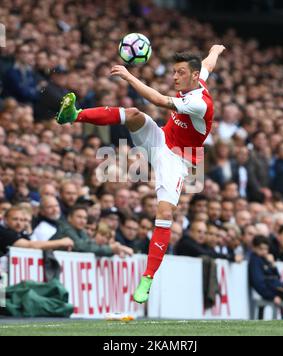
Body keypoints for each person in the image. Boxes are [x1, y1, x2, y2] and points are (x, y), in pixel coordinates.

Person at [56, 44, 226, 303]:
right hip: (160, 140)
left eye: (180, 73)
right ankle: (73, 115)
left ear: (193, 76)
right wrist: (216, 50)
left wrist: (128, 76)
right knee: (134, 115)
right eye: (173, 72)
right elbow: (208, 63)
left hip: (177, 160)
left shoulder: (198, 103)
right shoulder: (196, 78)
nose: (174, 77)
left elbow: (158, 100)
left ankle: (147, 278)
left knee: (166, 212)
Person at [249, 235, 283, 320]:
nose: (264, 252)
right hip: (276, 290)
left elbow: (278, 276)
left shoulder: (265, 259)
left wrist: (272, 265)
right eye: (261, 249)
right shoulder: (255, 260)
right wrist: (272, 296)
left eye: (266, 249)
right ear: (254, 248)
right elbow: (258, 283)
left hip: (280, 287)